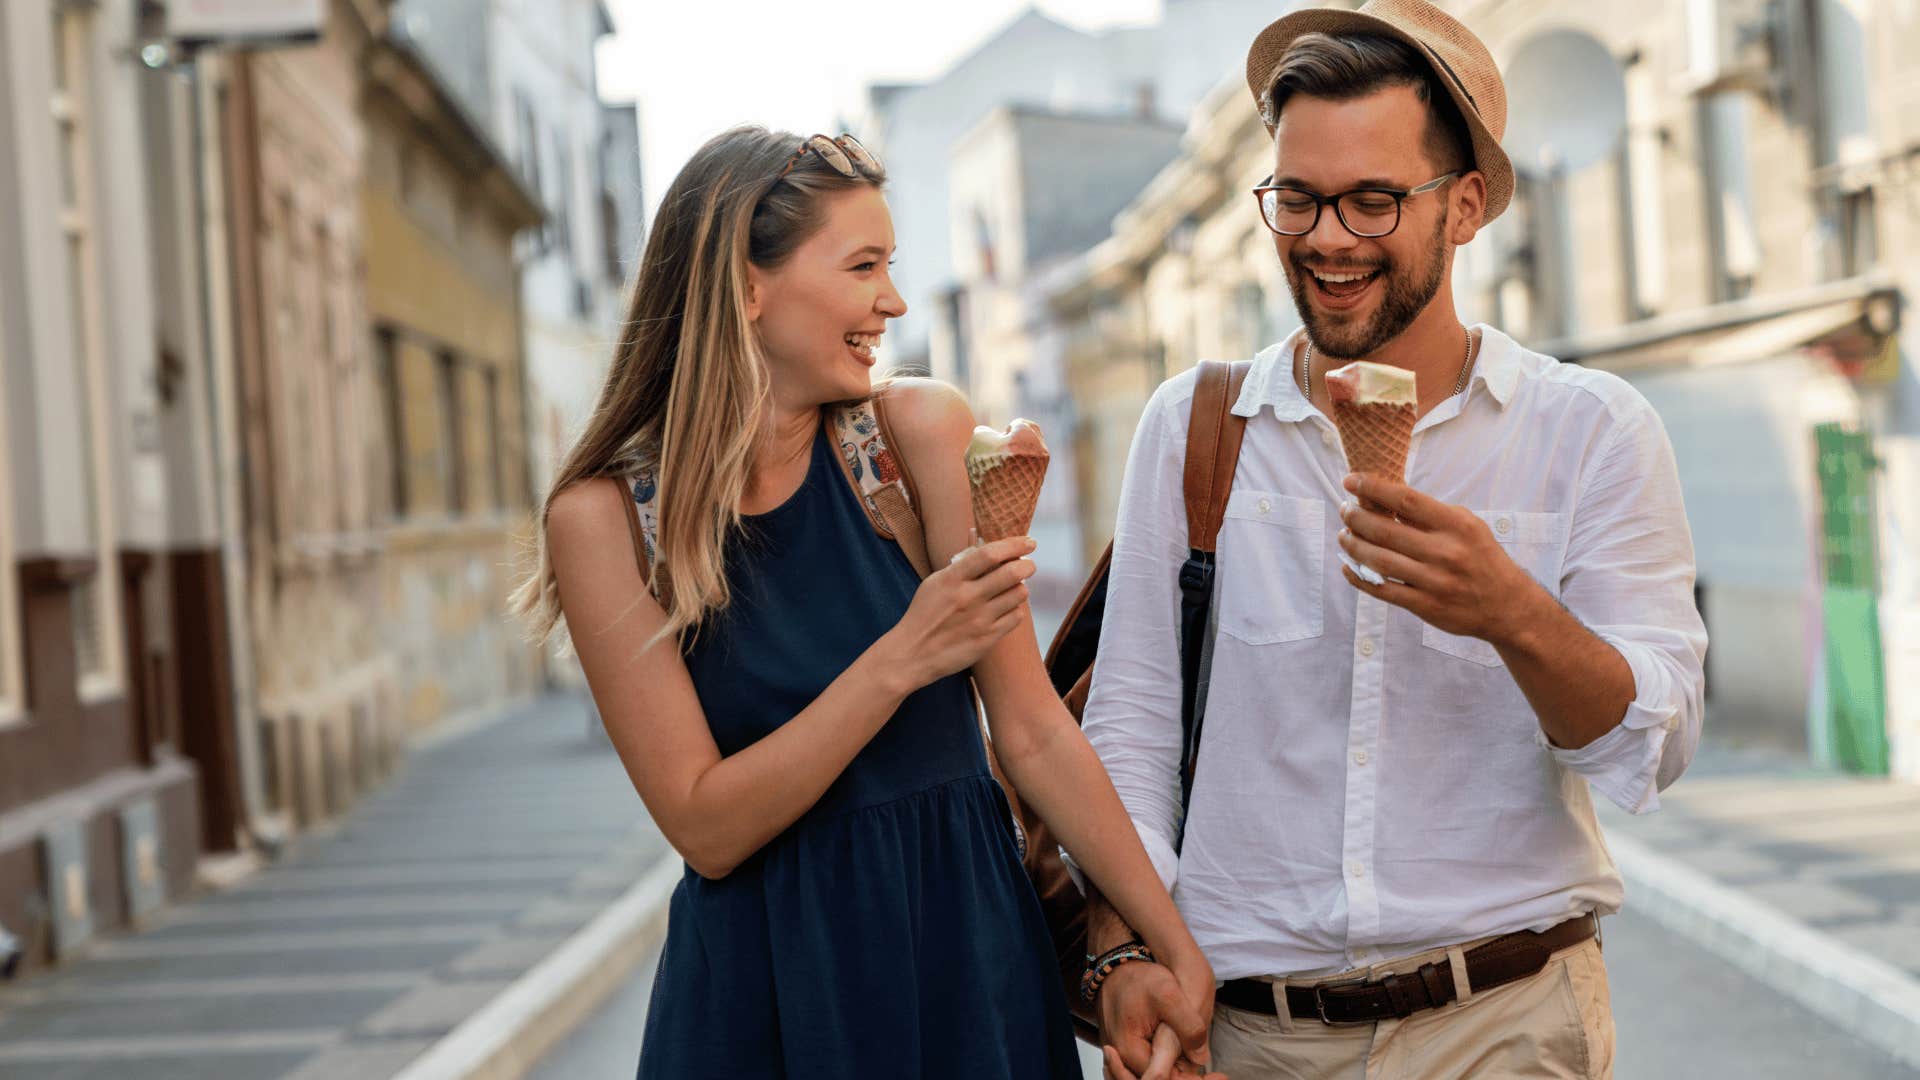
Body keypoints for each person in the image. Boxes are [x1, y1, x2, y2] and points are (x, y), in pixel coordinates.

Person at [1077, 2, 1708, 1077]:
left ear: (1464, 208)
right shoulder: (1195, 428)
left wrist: (1510, 612)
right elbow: (1133, 735)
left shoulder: (1588, 430)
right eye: (1299, 199)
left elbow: (1650, 747)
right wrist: (1124, 949)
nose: (1327, 238)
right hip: (1250, 1033)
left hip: (1505, 1018)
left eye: (1372, 201)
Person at [514, 126, 1217, 1079]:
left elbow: (1033, 732)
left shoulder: (918, 435)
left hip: (967, 958)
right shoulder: (602, 519)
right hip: (768, 993)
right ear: (745, 285)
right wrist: (904, 657)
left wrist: (1166, 944)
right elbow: (706, 827)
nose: (891, 301)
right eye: (863, 266)